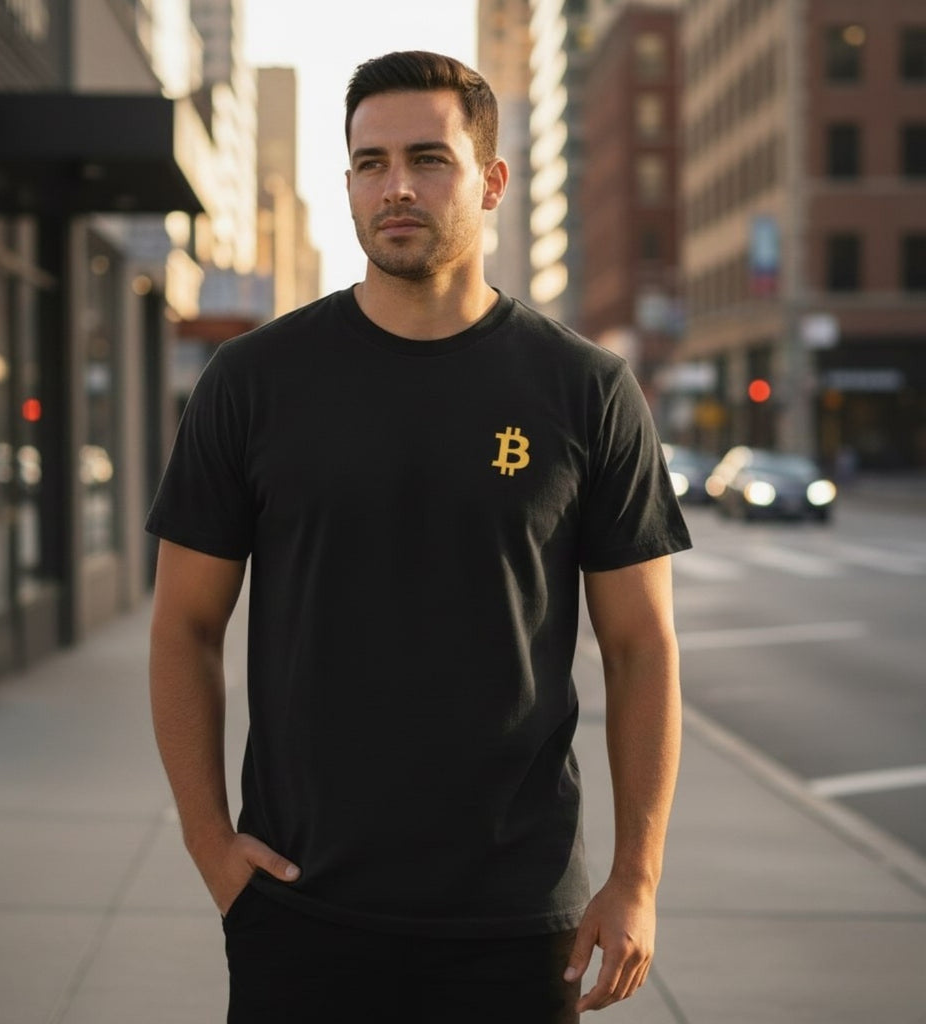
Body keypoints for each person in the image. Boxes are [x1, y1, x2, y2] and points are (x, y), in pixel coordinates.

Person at [147, 50, 691, 1023]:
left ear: (491, 181)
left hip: (517, 919)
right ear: (350, 183)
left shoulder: (585, 389)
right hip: (300, 909)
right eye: (371, 163)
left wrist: (636, 878)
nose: (395, 185)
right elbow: (184, 625)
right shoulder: (252, 382)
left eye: (428, 158)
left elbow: (641, 645)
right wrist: (211, 847)